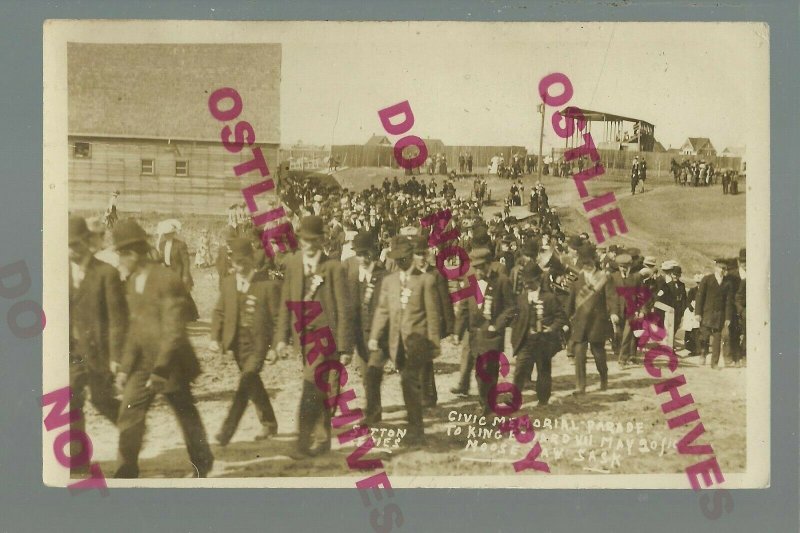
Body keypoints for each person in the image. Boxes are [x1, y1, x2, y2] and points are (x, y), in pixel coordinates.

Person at [111, 219, 213, 478]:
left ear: (132, 253)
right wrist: (124, 369)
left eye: (121, 255)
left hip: (171, 362)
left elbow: (173, 330)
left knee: (184, 411)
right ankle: (126, 470)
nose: (120, 261)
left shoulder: (166, 279)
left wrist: (160, 370)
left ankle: (202, 462)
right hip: (142, 363)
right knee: (129, 412)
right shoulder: (133, 281)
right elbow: (135, 329)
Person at [274, 216, 353, 458]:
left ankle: (302, 442)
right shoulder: (294, 263)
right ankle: (322, 439)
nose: (308, 244)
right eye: (304, 239)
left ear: (321, 241)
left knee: (310, 387)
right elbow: (285, 303)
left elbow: (344, 309)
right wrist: (280, 338)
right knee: (319, 388)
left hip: (325, 338)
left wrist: (345, 347)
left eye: (313, 240)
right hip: (303, 339)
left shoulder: (334, 268)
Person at [68, 216, 128, 474]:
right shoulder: (55, 274)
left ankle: (132, 427)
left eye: (76, 244)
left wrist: (116, 357)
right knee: (71, 401)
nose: (72, 250)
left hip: (98, 352)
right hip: (70, 352)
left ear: (86, 242)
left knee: (102, 400)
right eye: (67, 245)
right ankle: (78, 462)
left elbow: (117, 320)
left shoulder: (106, 273)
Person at [369, 237, 441, 446]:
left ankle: (416, 429)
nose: (399, 263)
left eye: (402, 259)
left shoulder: (425, 280)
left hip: (418, 341)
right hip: (396, 341)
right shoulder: (389, 281)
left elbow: (432, 314)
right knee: (408, 384)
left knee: (408, 381)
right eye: (396, 259)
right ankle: (414, 423)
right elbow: (382, 310)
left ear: (411, 257)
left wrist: (434, 343)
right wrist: (374, 336)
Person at [209, 238, 280, 445]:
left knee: (246, 381)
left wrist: (275, 347)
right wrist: (215, 337)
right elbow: (219, 312)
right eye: (234, 262)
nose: (238, 267)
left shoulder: (267, 285)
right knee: (252, 383)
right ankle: (270, 423)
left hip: (258, 345)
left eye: (242, 262)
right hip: (236, 344)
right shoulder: (228, 283)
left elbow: (277, 319)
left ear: (251, 260)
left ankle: (226, 431)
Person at [453, 247, 515, 414]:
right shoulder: (470, 282)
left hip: (493, 335)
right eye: (476, 267)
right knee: (480, 373)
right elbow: (464, 309)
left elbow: (511, 308)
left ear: (490, 265)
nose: (479, 271)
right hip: (475, 335)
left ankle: (486, 405)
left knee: (488, 369)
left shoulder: (502, 281)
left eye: (482, 267)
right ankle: (485, 402)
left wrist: (498, 324)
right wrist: (457, 333)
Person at [345, 231, 390, 424]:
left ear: (373, 252)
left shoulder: (385, 277)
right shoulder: (353, 277)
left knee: (372, 374)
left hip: (380, 337)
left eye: (365, 254)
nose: (362, 258)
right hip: (360, 337)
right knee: (366, 376)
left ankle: (372, 414)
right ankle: (375, 411)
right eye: (359, 254)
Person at [510, 262, 566, 405]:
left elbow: (561, 317)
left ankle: (543, 399)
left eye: (530, 282)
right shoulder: (521, 298)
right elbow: (515, 319)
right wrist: (516, 337)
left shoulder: (549, 298)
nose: (527, 285)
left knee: (544, 371)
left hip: (543, 340)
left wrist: (551, 328)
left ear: (538, 280)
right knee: (519, 370)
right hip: (526, 340)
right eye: (525, 282)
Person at [567, 248, 614, 394]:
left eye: (589, 261)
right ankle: (580, 386)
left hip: (597, 322)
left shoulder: (604, 277)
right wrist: (566, 317)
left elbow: (610, 298)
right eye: (584, 262)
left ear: (594, 261)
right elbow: (571, 300)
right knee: (579, 354)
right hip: (580, 323)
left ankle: (604, 379)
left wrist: (612, 314)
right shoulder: (577, 279)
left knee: (598, 353)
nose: (586, 265)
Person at [695, 258, 735, 369]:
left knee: (717, 339)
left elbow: (728, 302)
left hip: (719, 316)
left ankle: (714, 363)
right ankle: (703, 353)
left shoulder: (728, 283)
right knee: (704, 336)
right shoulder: (707, 280)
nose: (722, 270)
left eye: (724, 268)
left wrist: (727, 317)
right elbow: (700, 297)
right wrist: (697, 313)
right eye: (720, 268)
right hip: (706, 314)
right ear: (715, 267)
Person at [157, 219, 199, 321]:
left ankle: (191, 315)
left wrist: (185, 275)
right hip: (168, 272)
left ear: (173, 234)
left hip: (179, 272)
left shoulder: (180, 245)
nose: (166, 236)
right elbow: (161, 258)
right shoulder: (162, 244)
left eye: (168, 234)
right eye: (165, 234)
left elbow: (186, 261)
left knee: (184, 294)